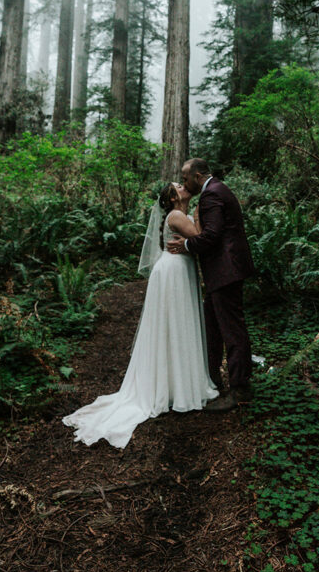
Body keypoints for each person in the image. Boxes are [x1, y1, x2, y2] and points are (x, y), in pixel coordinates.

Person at [62, 182, 218, 448]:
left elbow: (193, 240)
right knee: (175, 326)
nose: (183, 185)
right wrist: (202, 215)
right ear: (172, 197)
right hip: (173, 273)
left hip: (177, 270)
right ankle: (175, 386)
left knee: (175, 327)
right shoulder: (177, 216)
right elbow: (201, 238)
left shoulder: (180, 214)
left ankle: (176, 383)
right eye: (179, 186)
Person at [167, 158, 255, 411]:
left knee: (232, 331)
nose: (184, 183)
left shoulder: (211, 195)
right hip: (223, 272)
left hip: (226, 272)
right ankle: (212, 379)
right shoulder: (217, 190)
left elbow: (213, 236)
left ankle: (240, 390)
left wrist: (184, 245)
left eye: (185, 179)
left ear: (196, 176)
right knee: (212, 327)